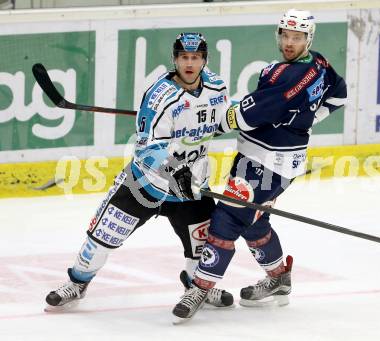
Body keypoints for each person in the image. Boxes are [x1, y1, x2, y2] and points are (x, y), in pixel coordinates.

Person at [172, 9, 347, 322]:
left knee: (227, 218)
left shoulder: (283, 74)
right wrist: (307, 122)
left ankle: (200, 286)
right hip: (266, 158)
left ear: (309, 37)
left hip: (267, 164)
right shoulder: (319, 63)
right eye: (286, 35)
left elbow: (244, 116)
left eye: (298, 37)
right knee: (252, 221)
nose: (290, 42)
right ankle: (278, 277)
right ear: (279, 34)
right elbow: (339, 94)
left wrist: (212, 120)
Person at [45, 32, 234, 311]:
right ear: (175, 59)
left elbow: (222, 122)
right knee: (101, 239)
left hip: (192, 187)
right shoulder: (158, 96)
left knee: (202, 249)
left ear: (205, 60)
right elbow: (145, 147)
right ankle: (77, 283)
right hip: (145, 184)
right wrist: (173, 170)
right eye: (184, 57)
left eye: (195, 57)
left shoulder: (216, 87)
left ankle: (197, 286)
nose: (189, 63)